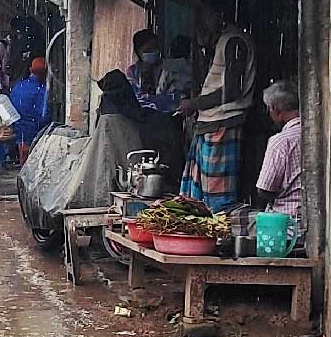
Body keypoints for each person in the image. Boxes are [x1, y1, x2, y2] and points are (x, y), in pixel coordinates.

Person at [178, 21, 257, 212]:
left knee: (218, 199)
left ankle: (219, 237)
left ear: (219, 17)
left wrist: (195, 104)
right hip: (210, 124)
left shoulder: (235, 42)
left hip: (223, 124)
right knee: (195, 197)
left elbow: (232, 91)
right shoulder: (223, 42)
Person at [254, 80, 304, 217]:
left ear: (275, 109)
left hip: (286, 221)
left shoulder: (280, 141)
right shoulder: (319, 134)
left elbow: (265, 190)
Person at [126, 30, 187, 113]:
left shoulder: (169, 68)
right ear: (138, 52)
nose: (153, 52)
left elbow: (177, 96)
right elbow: (135, 98)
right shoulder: (133, 72)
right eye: (148, 50)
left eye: (155, 48)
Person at [8, 57, 50, 160]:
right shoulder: (42, 90)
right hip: (32, 131)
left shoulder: (18, 86)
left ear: (30, 69)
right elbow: (44, 116)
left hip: (17, 128)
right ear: (46, 73)